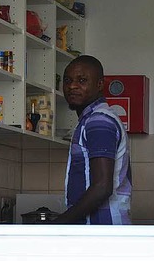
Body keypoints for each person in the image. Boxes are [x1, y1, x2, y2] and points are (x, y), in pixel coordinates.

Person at [52, 55, 132, 224]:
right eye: (67, 80)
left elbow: (102, 187)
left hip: (101, 229)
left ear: (100, 84)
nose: (72, 86)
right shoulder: (93, 120)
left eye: (82, 80)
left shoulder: (98, 121)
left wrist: (58, 224)